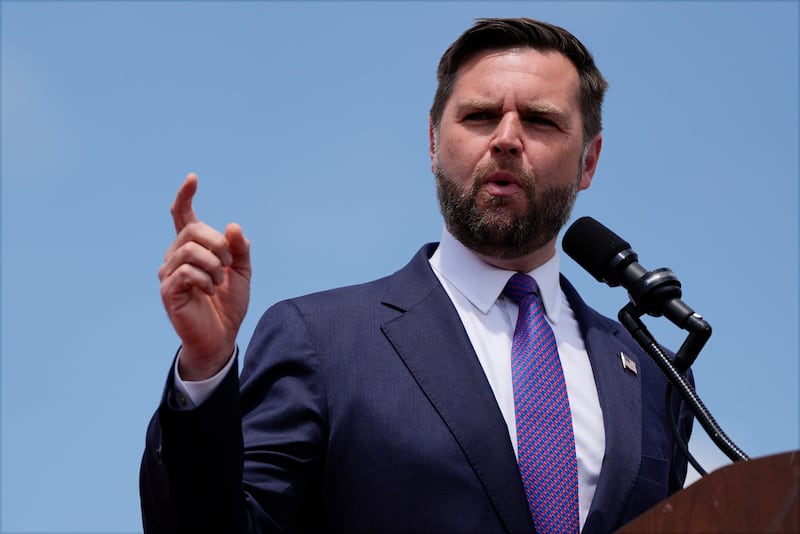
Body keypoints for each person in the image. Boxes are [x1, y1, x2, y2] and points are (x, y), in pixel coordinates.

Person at [140, 17, 693, 533]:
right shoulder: (321, 339)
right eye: (479, 116)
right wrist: (207, 369)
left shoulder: (655, 376)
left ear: (589, 161)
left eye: (540, 120)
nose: (505, 138)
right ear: (433, 142)